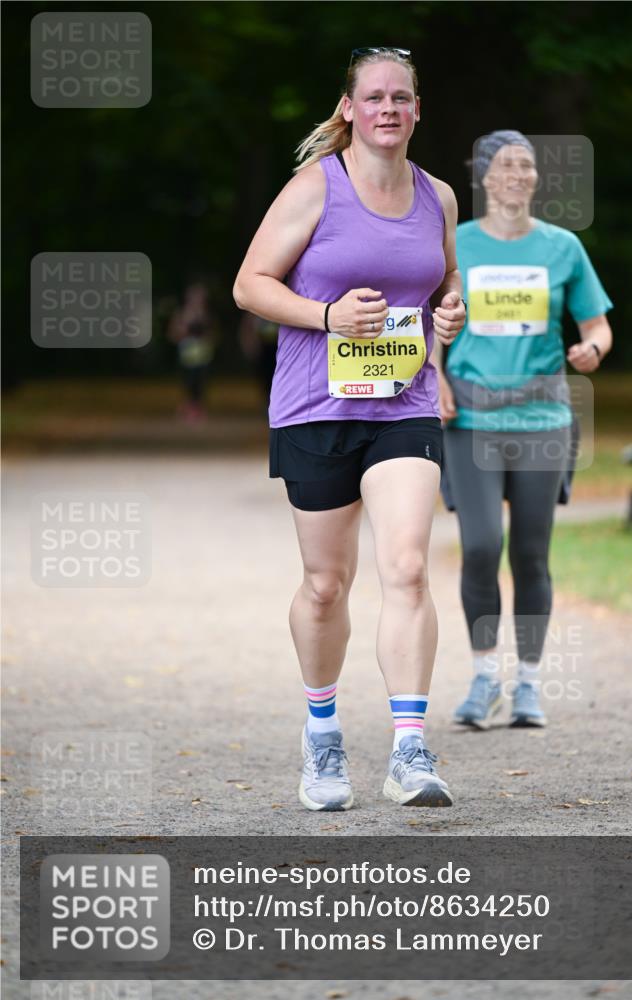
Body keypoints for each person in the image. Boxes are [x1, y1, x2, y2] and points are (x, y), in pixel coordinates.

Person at [234, 47, 466, 810]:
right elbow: (250, 286)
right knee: (327, 585)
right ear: (349, 110)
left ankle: (408, 749)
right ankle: (322, 731)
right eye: (373, 98)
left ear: (417, 109)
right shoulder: (315, 188)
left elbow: (443, 280)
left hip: (401, 404)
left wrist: (449, 316)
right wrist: (328, 316)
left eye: (401, 97)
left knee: (405, 567)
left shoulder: (437, 196)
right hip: (317, 407)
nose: (388, 109)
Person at [438, 130, 613, 729]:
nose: (519, 174)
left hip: (543, 419)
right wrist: (433, 377)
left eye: (527, 166)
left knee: (532, 556)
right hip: (470, 419)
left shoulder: (562, 248)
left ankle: (530, 685)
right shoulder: (454, 246)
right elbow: (429, 321)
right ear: (484, 176)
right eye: (506, 165)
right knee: (482, 545)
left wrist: (591, 346)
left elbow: (598, 325)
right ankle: (485, 676)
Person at [168, 281, 217, 421]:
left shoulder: (207, 314)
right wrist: (184, 333)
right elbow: (173, 333)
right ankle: (188, 407)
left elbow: (213, 334)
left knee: (201, 384)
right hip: (187, 356)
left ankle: (198, 408)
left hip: (203, 356)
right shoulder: (182, 314)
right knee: (188, 383)